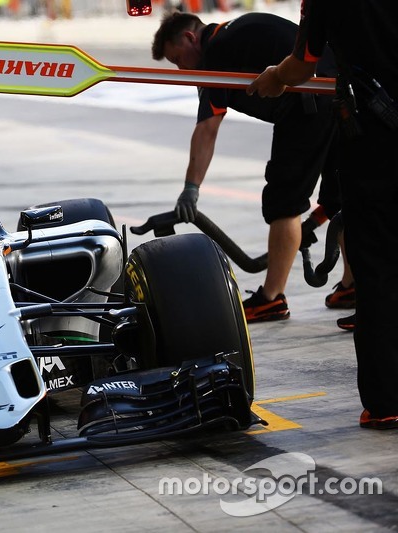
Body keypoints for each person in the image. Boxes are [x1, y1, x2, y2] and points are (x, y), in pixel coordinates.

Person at [247, 0, 398, 429]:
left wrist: (274, 78)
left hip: (375, 143)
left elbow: (304, 64)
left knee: (379, 270)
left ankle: (387, 400)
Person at [151, 11, 344, 324]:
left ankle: (271, 298)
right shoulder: (237, 29)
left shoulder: (215, 54)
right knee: (341, 195)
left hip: (307, 103)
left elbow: (208, 127)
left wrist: (191, 188)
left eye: (177, 59)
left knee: (284, 201)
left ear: (189, 37)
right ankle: (352, 285)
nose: (181, 70)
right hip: (337, 92)